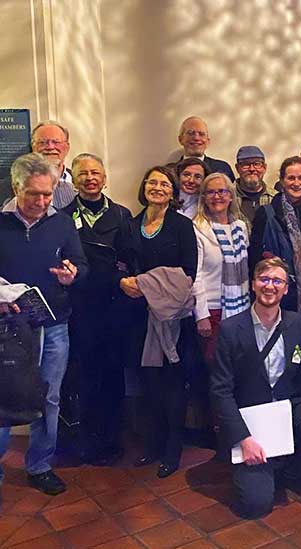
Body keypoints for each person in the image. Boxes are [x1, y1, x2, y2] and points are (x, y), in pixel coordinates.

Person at [210, 256, 301, 519]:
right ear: (253, 284)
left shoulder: (297, 323)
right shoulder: (230, 329)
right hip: (251, 422)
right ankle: (268, 465)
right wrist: (244, 439)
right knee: (256, 505)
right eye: (264, 279)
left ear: (285, 289)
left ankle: (294, 466)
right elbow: (220, 392)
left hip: (285, 410)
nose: (269, 286)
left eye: (277, 281)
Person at [0, 153, 88, 495]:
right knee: (4, 396)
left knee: (49, 397)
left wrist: (72, 275)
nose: (41, 202)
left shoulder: (62, 223)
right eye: (33, 194)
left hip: (53, 325)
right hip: (8, 327)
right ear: (16, 187)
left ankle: (39, 465)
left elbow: (80, 264)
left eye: (47, 194)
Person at [117, 165, 198, 478]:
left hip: (171, 318)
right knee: (146, 382)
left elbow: (187, 273)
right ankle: (152, 444)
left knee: (172, 384)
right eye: (152, 182)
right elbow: (120, 262)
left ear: (173, 191)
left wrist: (148, 284)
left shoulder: (181, 226)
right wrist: (123, 281)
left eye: (165, 184)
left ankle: (173, 449)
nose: (158, 188)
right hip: (138, 315)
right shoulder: (130, 224)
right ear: (144, 187)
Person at [63, 153, 132, 466]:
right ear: (74, 180)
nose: (90, 178)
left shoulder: (122, 214)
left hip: (114, 308)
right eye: (83, 174)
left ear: (105, 178)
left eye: (95, 173)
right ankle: (87, 440)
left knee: (114, 374)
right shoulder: (62, 217)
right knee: (83, 375)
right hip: (79, 309)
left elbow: (131, 259)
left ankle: (113, 438)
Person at [192, 173, 251, 366]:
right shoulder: (197, 228)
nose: (217, 196)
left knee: (238, 365)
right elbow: (195, 274)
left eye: (222, 191)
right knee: (216, 366)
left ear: (231, 196)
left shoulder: (241, 227)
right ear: (203, 198)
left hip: (241, 307)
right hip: (213, 310)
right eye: (210, 192)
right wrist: (202, 316)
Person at [249, 157, 301, 315]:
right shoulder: (266, 213)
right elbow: (254, 256)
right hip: (279, 296)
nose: (296, 183)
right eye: (291, 178)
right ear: (282, 181)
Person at [175, 116, 236, 181]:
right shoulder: (171, 171)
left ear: (207, 141)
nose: (196, 138)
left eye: (201, 134)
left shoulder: (222, 169)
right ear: (180, 139)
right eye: (191, 133)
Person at [31, 121, 76, 209]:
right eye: (42, 142)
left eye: (56, 142)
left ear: (67, 147)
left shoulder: (81, 182)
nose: (50, 147)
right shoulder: (9, 187)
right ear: (33, 147)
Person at [234, 145, 277, 224]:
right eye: (245, 164)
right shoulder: (227, 197)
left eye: (257, 164)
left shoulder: (275, 198)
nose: (252, 169)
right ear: (237, 168)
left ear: (264, 168)